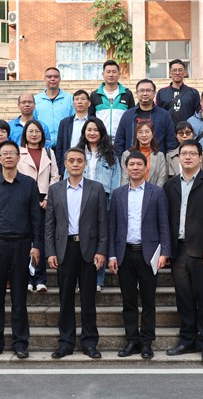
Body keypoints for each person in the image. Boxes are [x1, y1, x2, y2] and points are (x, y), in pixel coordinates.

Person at [0, 141, 42, 360]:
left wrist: (36, 245)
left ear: (18, 157)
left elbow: (36, 218)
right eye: (3, 154)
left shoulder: (29, 184)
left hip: (22, 246)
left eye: (12, 153)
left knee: (19, 297)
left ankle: (20, 342)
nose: (8, 157)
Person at [163, 139, 203, 363]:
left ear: (200, 157)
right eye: (183, 154)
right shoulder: (170, 186)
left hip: (202, 251)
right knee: (184, 298)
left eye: (192, 154)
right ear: (178, 158)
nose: (187, 157)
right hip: (178, 251)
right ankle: (187, 340)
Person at [45, 147, 108, 360]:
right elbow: (50, 223)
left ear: (84, 164)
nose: (75, 164)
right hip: (65, 249)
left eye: (79, 160)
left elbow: (103, 222)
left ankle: (90, 342)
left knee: (88, 298)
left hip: (89, 250)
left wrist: (101, 250)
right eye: (71, 160)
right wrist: (50, 251)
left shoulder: (96, 188)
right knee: (65, 298)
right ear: (65, 164)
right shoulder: (55, 190)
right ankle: (66, 342)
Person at [108, 151, 172, 359]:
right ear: (126, 168)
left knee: (148, 301)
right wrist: (111, 255)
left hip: (148, 254)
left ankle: (146, 342)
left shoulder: (157, 193)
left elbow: (164, 224)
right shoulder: (118, 194)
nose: (135, 168)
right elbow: (112, 226)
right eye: (131, 164)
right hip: (124, 254)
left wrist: (165, 252)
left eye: (139, 164)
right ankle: (132, 341)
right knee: (128, 301)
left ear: (146, 168)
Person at [75, 117, 121, 290]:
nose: (92, 133)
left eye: (95, 130)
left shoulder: (111, 155)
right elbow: (68, 175)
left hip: (104, 200)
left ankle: (98, 280)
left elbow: (116, 181)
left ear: (101, 132)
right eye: (89, 130)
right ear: (84, 132)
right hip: (79, 200)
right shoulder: (77, 153)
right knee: (80, 240)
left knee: (101, 239)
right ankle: (80, 280)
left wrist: (114, 203)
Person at [17, 120, 60, 293]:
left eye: (37, 131)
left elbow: (55, 176)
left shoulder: (49, 152)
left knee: (40, 239)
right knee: (26, 239)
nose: (34, 134)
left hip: (44, 199)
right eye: (31, 131)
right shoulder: (18, 152)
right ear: (25, 134)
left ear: (42, 134)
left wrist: (48, 198)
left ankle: (41, 278)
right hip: (23, 199)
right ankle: (27, 278)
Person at [114, 78, 176, 155]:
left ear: (154, 93)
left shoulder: (164, 115)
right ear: (136, 93)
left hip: (157, 159)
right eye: (142, 90)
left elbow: (170, 142)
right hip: (132, 160)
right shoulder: (128, 115)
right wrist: (121, 159)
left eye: (148, 90)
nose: (145, 93)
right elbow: (119, 141)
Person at [89, 60, 135, 142]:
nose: (111, 74)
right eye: (108, 72)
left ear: (119, 74)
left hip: (122, 140)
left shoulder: (127, 94)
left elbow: (132, 116)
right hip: (100, 140)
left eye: (114, 72)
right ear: (103, 74)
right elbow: (91, 117)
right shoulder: (95, 95)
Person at [34, 67, 75, 149]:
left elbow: (74, 120)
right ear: (44, 79)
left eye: (56, 76)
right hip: (43, 145)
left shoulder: (69, 98)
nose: (52, 79)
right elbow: (34, 121)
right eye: (49, 77)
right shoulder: (36, 99)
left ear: (60, 79)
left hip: (65, 144)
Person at [155, 59, 200, 127]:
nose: (177, 73)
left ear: (185, 73)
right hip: (168, 130)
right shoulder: (162, 92)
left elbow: (198, 113)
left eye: (180, 70)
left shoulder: (193, 92)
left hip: (187, 130)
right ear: (170, 73)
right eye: (174, 70)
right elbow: (157, 113)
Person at [120, 121, 167, 187]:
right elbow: (124, 179)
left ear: (152, 134)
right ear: (136, 135)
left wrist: (154, 192)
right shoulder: (127, 154)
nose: (144, 135)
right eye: (140, 132)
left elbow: (161, 179)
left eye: (147, 132)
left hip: (154, 192)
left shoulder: (159, 156)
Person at [56, 89, 91, 175]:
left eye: (83, 99)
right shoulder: (65, 123)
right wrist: (60, 169)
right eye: (77, 99)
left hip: (90, 164)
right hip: (70, 164)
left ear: (89, 103)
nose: (79, 101)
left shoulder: (94, 122)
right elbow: (59, 147)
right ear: (73, 103)